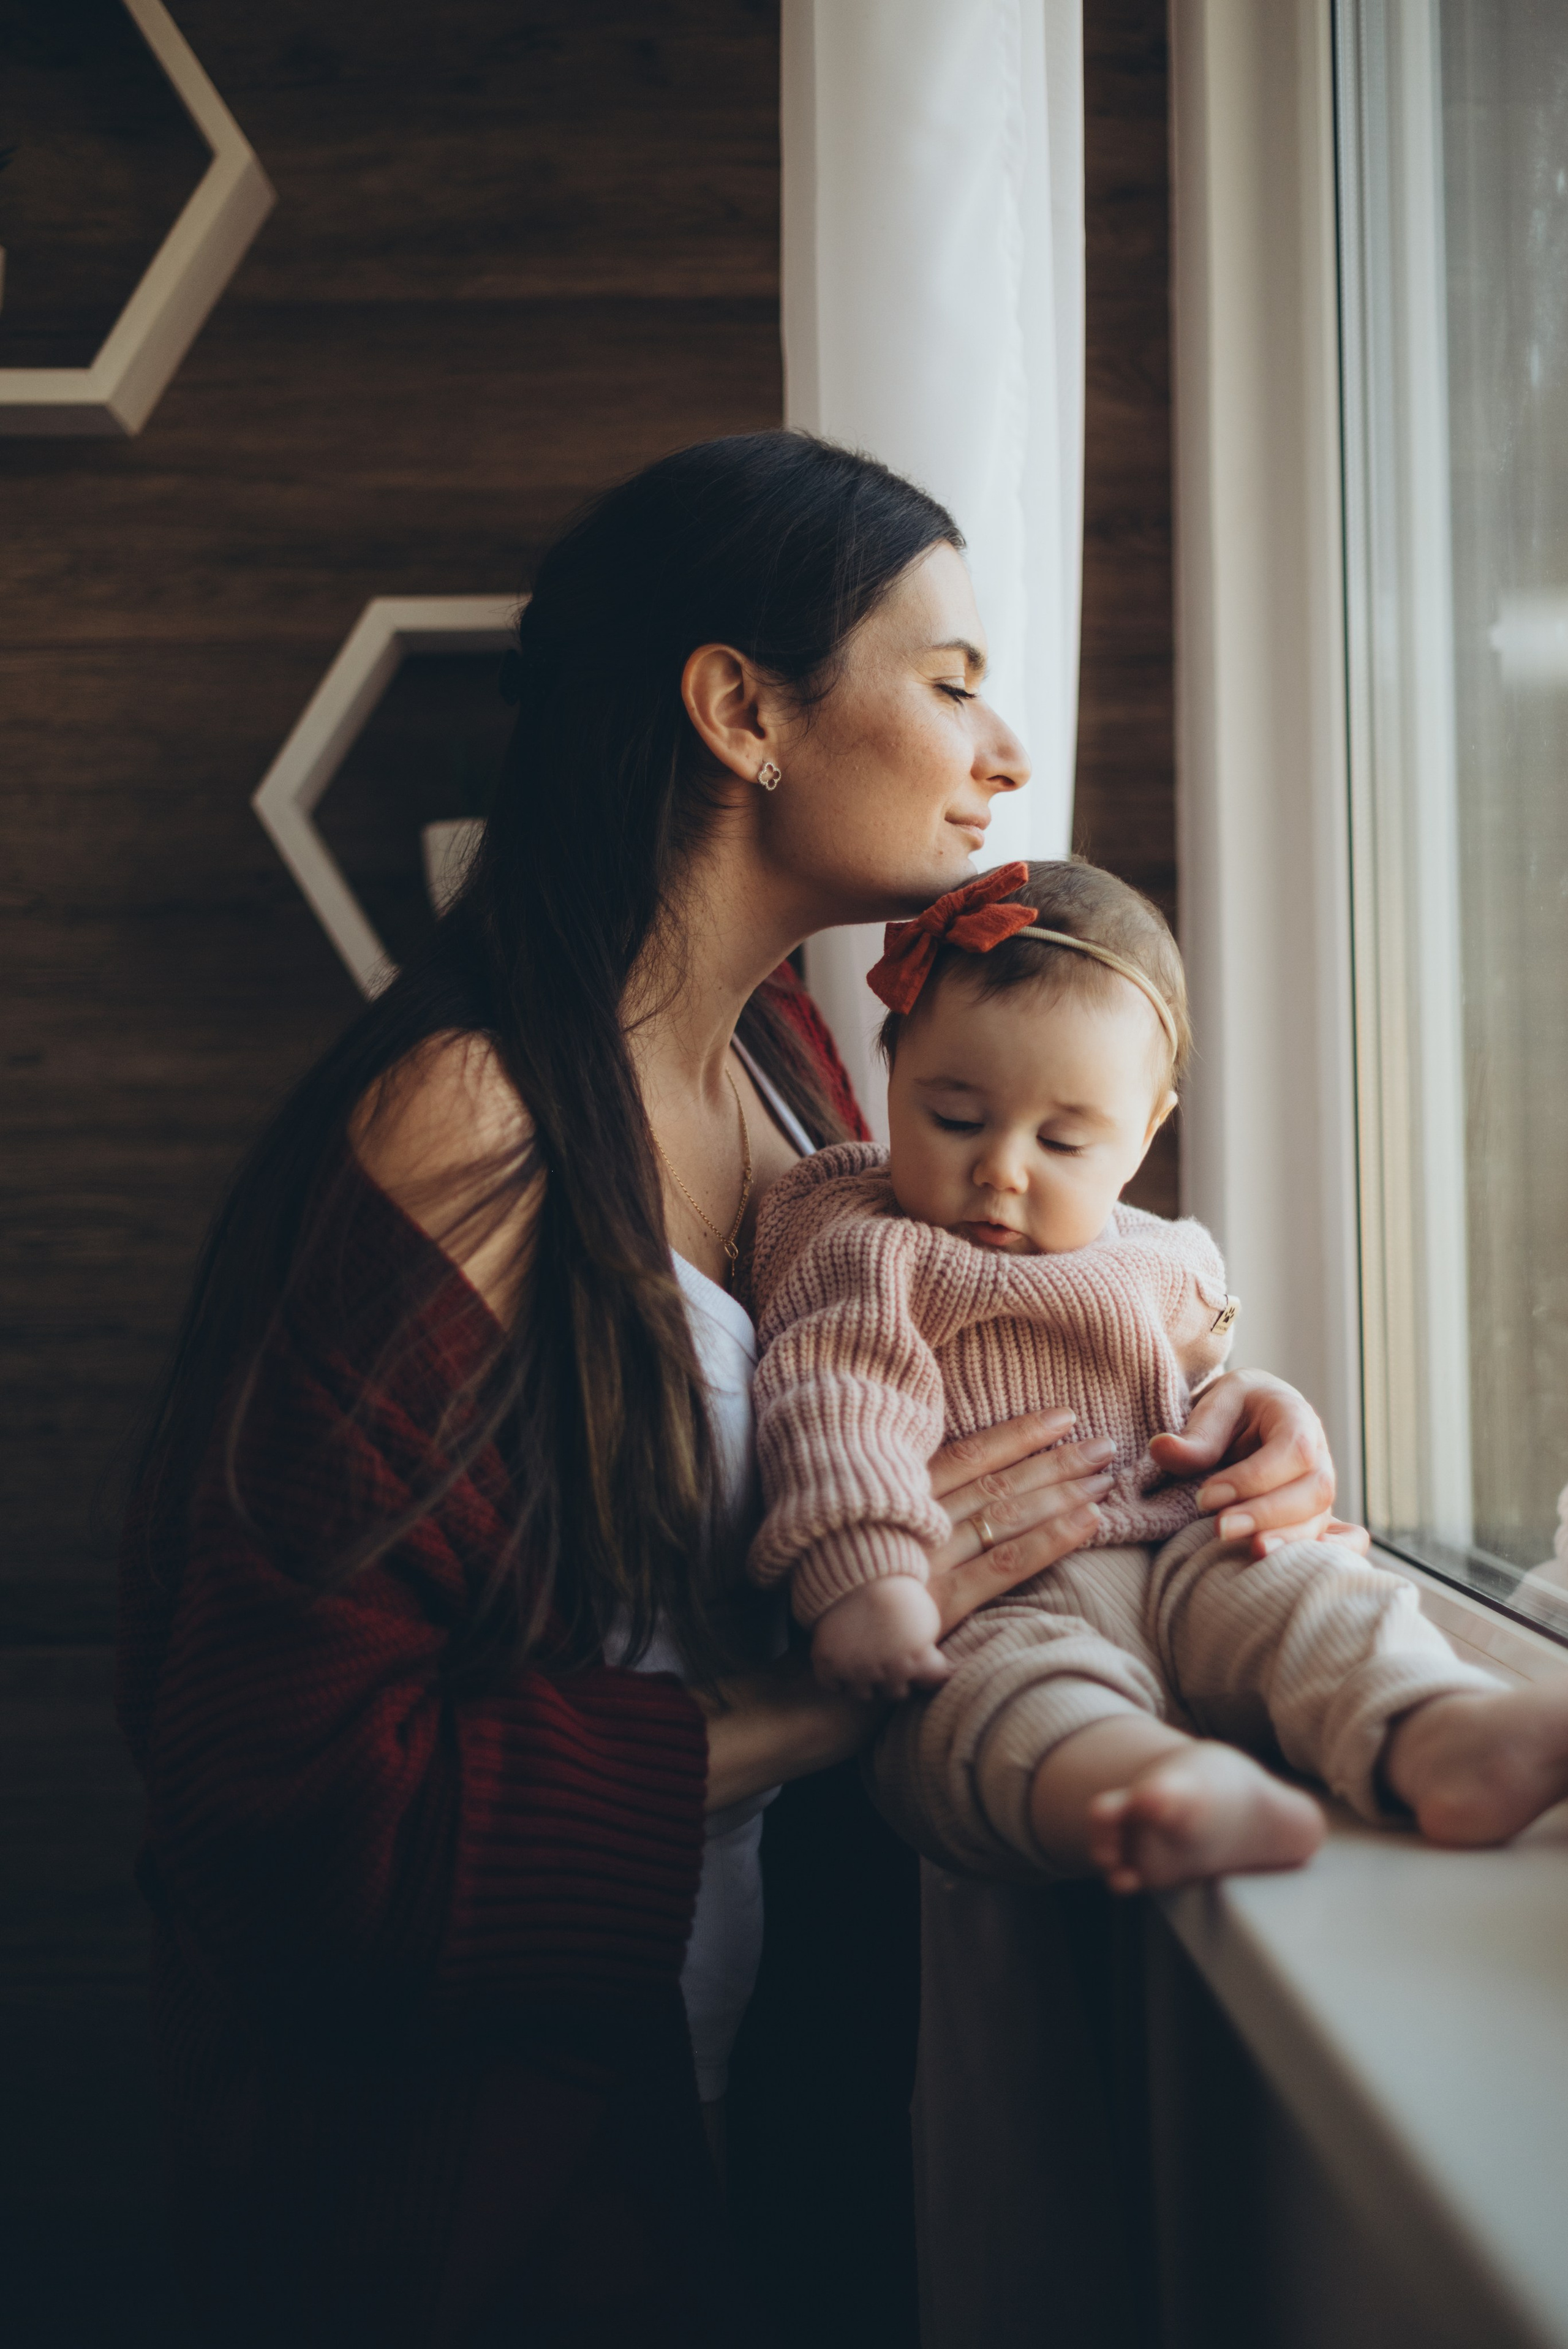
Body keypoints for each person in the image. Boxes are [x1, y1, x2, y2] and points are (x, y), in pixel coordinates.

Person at [118, 433, 1351, 2347]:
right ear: (741, 712)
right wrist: (816, 1685)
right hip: (482, 2194)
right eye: (950, 681)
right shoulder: (474, 1126)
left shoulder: (788, 1083)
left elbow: (933, 1357)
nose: (1004, 748)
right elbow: (284, 1814)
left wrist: (1218, 1413)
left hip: (737, 2102)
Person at [745, 856, 1568, 1895]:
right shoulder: (873, 1248)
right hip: (988, 1604)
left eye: (1064, 1140)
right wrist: (866, 1579)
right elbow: (833, 1404)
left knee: (1310, 1595)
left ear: (1142, 1135)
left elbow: (1202, 1368)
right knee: (992, 1711)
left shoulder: (1155, 1252)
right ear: (893, 1074)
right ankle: (1155, 1787)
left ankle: (1440, 1732)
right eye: (955, 1118)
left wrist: (1253, 1417)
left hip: (1181, 1548)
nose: (1002, 1168)